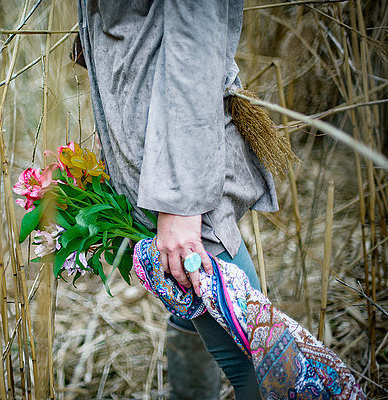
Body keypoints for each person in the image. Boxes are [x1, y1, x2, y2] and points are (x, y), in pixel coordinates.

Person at [76, 1, 279, 399]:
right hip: (153, 158)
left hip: (178, 163)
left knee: (256, 360)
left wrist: (181, 203)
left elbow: (195, 42)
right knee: (191, 307)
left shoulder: (180, 192)